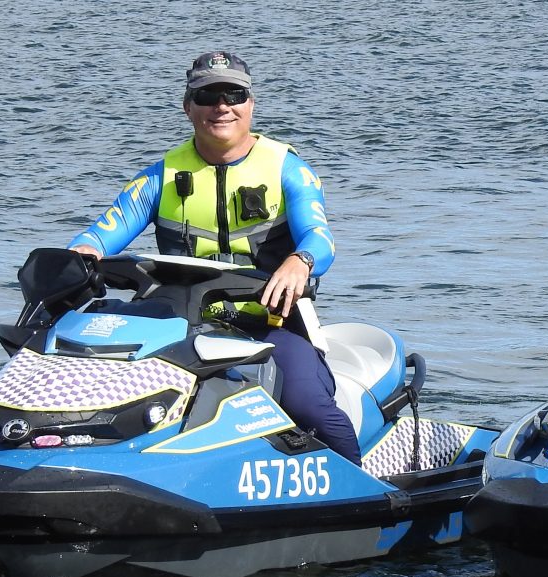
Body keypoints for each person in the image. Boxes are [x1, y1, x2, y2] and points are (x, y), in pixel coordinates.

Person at [68, 51, 360, 464]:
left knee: (310, 406)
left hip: (270, 329)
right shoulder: (160, 177)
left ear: (250, 104)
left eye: (234, 94)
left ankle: (371, 494)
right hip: (178, 331)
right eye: (207, 95)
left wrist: (302, 261)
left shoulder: (287, 169)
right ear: (188, 107)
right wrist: (81, 255)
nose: (221, 106)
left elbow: (319, 235)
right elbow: (102, 233)